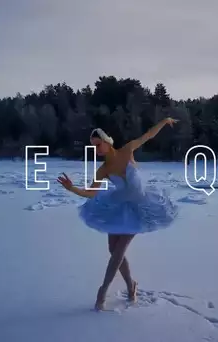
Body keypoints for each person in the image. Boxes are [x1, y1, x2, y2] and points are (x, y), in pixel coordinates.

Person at [56, 118, 180, 311]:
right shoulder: (103, 169)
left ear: (106, 141)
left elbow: (148, 135)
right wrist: (72, 188)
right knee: (113, 250)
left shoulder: (127, 150)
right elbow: (91, 193)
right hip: (117, 206)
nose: (96, 150)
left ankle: (102, 291)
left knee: (119, 251)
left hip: (139, 207)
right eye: (93, 147)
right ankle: (131, 286)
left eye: (98, 145)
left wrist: (164, 121)